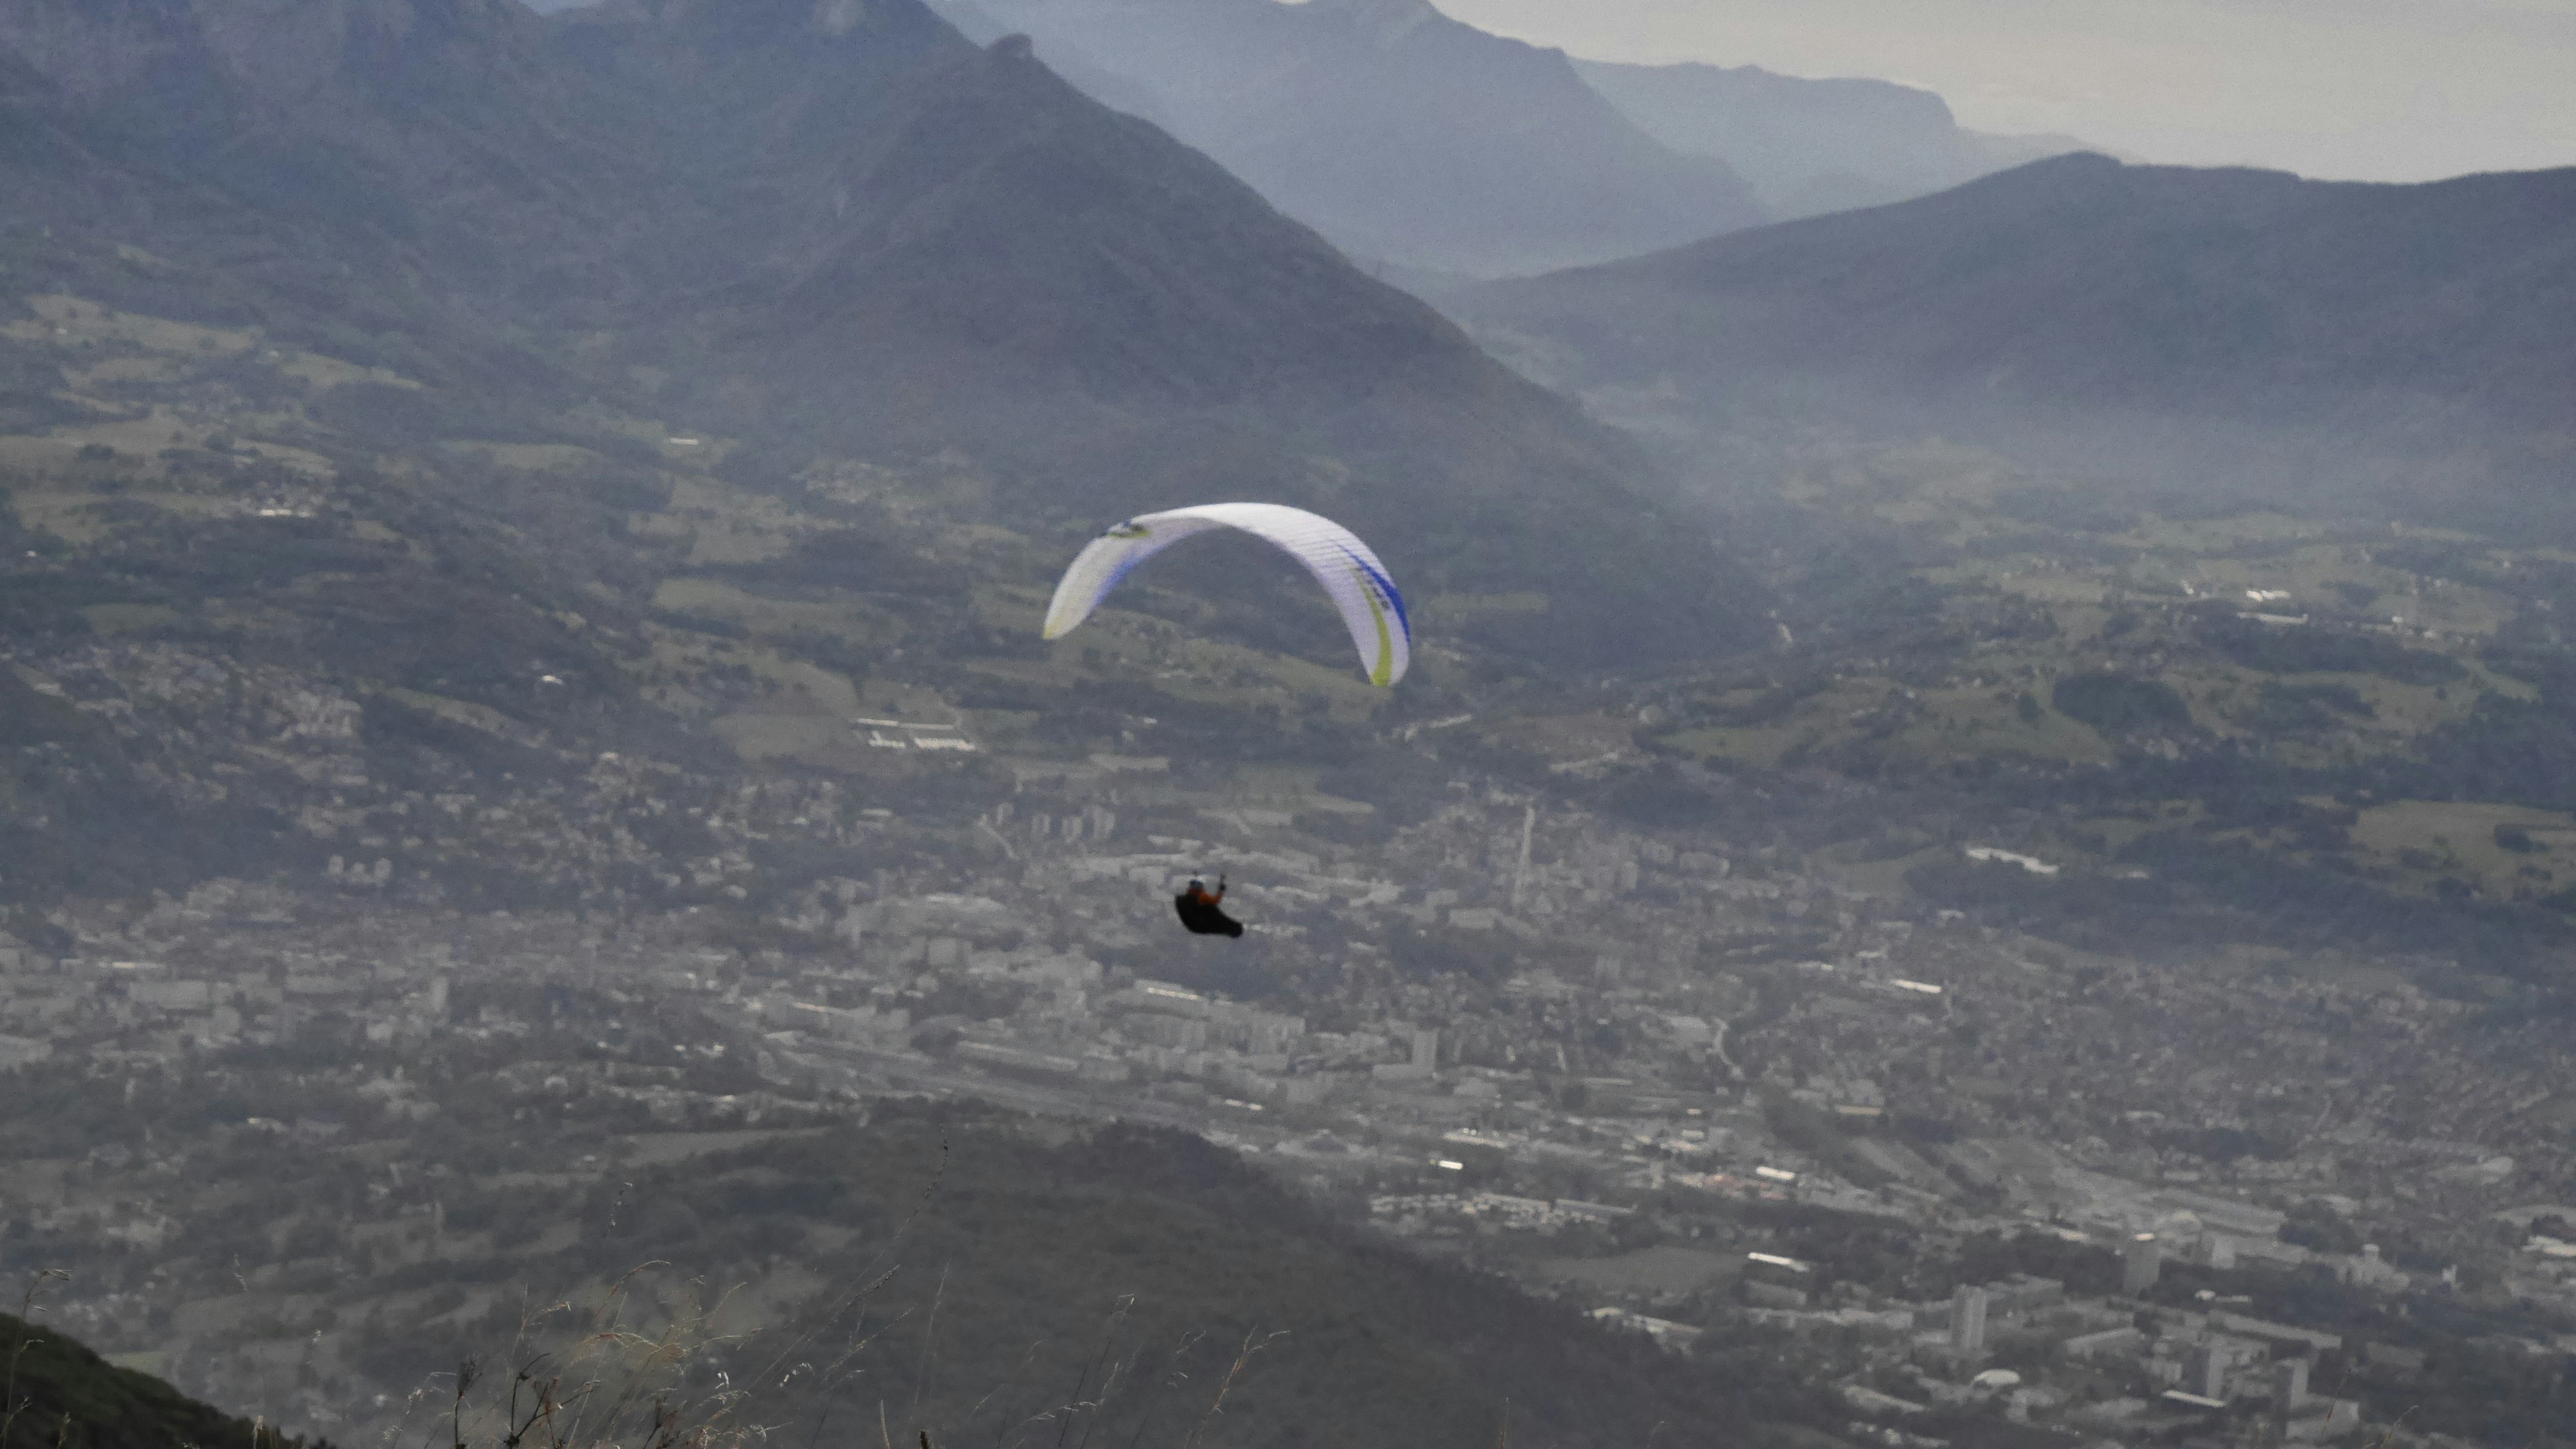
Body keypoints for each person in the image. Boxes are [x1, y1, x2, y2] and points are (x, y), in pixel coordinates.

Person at [1173, 873, 1244, 938]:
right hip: (1200, 923)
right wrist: (1221, 891)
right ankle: (1234, 929)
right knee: (1211, 909)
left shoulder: (1186, 899)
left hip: (1193, 926)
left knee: (1211, 912)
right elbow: (1215, 902)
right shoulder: (1201, 896)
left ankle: (1233, 929)